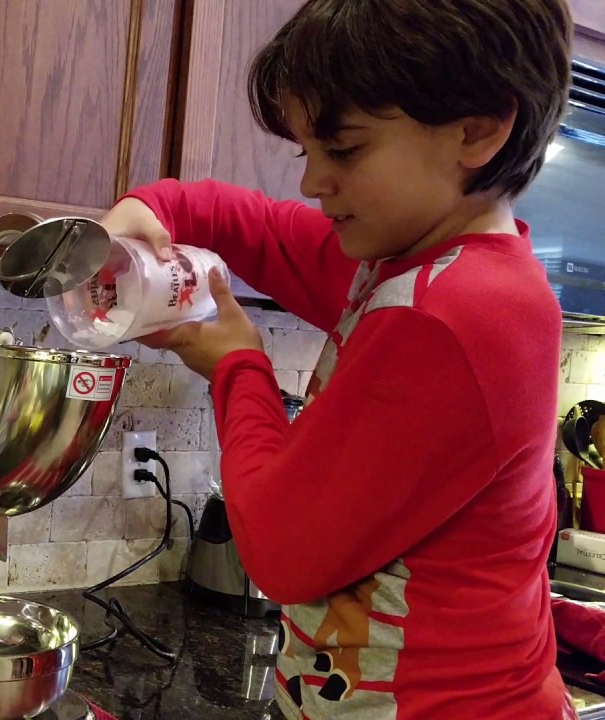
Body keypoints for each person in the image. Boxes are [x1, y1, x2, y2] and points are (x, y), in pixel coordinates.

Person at [100, 1, 576, 718]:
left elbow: (283, 554)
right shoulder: (410, 263)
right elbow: (257, 227)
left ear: (477, 129)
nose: (312, 182)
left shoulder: (456, 311)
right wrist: (153, 206)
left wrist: (237, 366)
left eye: (345, 150)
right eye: (306, 152)